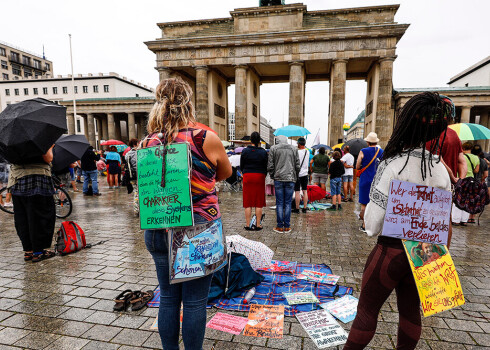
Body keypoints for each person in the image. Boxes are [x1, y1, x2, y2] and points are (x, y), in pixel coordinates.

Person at [344, 92, 454, 350]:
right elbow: (445, 219)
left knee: (367, 312)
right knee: (410, 311)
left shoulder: (393, 164)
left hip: (391, 249)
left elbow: (372, 224)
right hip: (426, 253)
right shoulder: (440, 168)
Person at [143, 78, 231, 350]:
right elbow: (226, 173)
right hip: (198, 229)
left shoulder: (148, 141)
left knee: (168, 298)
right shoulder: (204, 138)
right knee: (194, 302)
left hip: (158, 227)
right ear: (189, 103)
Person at [8, 145, 57, 262]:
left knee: (22, 217)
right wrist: (50, 147)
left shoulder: (12, 140)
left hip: (17, 180)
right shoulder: (37, 139)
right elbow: (48, 158)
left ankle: (28, 251)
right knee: (39, 216)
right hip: (37, 179)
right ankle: (38, 251)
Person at [267, 135, 299, 233]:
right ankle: (287, 226)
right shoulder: (294, 149)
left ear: (278, 141)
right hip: (290, 178)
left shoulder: (273, 148)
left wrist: (273, 175)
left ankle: (280, 226)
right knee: (288, 203)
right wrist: (295, 175)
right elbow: (297, 165)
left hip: (278, 178)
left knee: (280, 203)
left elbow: (270, 165)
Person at [240, 132, 268, 230]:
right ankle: (258, 225)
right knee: (258, 201)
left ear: (251, 140)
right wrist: (263, 174)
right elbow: (266, 166)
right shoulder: (263, 152)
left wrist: (244, 173)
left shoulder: (245, 151)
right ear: (259, 140)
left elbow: (242, 165)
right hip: (259, 176)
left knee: (248, 202)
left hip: (248, 175)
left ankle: (247, 225)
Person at [356, 132, 383, 232]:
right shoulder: (382, 151)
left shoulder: (363, 151)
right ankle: (373, 225)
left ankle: (364, 225)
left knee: (364, 203)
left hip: (365, 179)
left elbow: (358, 165)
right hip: (377, 180)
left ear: (368, 142)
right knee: (374, 202)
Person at [457, 142, 480, 225]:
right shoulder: (476, 158)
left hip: (460, 177)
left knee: (458, 198)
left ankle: (456, 219)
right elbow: (476, 170)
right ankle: (464, 220)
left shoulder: (460, 156)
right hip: (471, 180)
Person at [293, 137, 309, 213]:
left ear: (299, 144)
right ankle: (305, 208)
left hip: (297, 174)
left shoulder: (296, 152)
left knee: (297, 191)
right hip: (305, 174)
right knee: (305, 191)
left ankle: (297, 208)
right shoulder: (307, 152)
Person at [125, 138, 140, 214]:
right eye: (138, 143)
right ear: (135, 144)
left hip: (131, 176)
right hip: (139, 175)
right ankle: (137, 210)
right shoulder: (138, 153)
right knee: (139, 192)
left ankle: (136, 209)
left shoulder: (127, 154)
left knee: (136, 192)